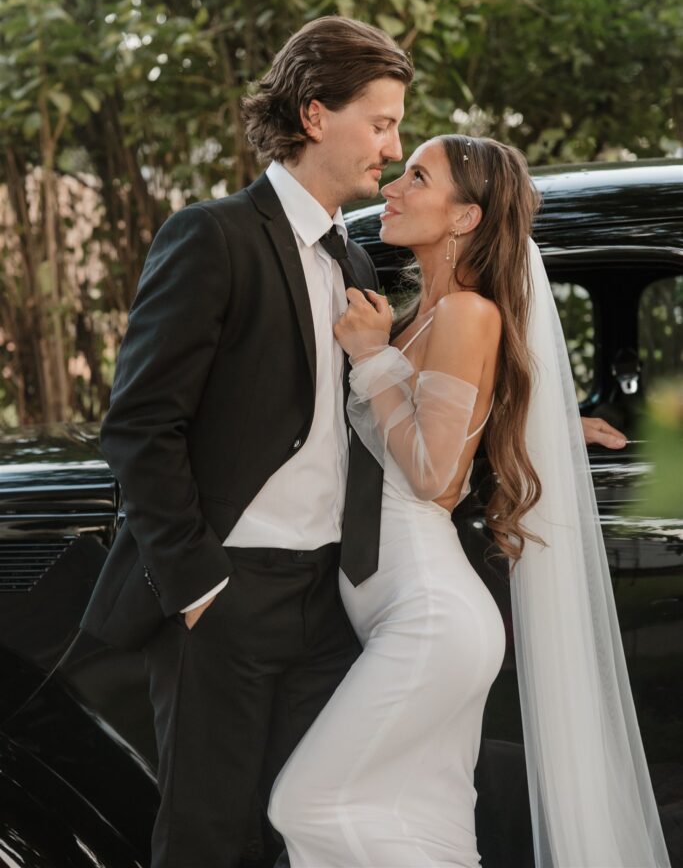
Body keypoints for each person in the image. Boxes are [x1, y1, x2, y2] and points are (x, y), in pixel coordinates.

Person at [267, 134, 671, 868]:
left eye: (417, 176)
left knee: (306, 803)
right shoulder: (425, 314)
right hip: (399, 607)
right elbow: (445, 421)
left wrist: (369, 356)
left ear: (464, 220)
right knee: (430, 828)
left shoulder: (465, 315)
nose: (392, 185)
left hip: (429, 616)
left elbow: (435, 478)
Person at [79, 15, 413, 868]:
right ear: (313, 115)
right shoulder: (212, 236)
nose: (392, 145)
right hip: (226, 595)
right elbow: (140, 425)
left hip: (328, 597)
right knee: (208, 842)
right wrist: (196, 586)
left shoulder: (359, 264)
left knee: (299, 839)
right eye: (379, 122)